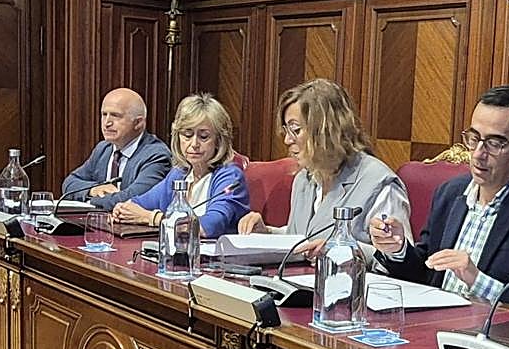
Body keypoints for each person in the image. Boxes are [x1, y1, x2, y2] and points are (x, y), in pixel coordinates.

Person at [369, 85, 509, 307]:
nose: (478, 154)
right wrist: (398, 249)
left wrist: (477, 280)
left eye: (495, 143)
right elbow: (426, 274)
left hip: (489, 335)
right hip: (431, 325)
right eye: (474, 138)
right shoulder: (449, 194)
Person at [237, 79, 410, 261]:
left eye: (295, 130)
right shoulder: (305, 178)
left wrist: (341, 251)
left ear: (326, 130)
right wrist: (266, 233)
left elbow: (401, 259)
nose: (287, 140)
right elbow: (304, 239)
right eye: (286, 130)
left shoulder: (379, 182)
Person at [111, 93, 250, 238]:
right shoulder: (180, 174)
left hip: (216, 259)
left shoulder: (230, 177)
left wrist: (151, 218)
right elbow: (137, 203)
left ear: (219, 141)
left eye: (203, 136)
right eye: (187, 135)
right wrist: (122, 210)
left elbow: (207, 227)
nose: (194, 144)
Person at [61, 88, 171, 209]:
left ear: (138, 123)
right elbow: (69, 183)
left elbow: (132, 198)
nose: (107, 123)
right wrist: (93, 189)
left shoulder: (156, 155)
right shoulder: (104, 149)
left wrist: (89, 202)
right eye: (104, 114)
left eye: (116, 116)